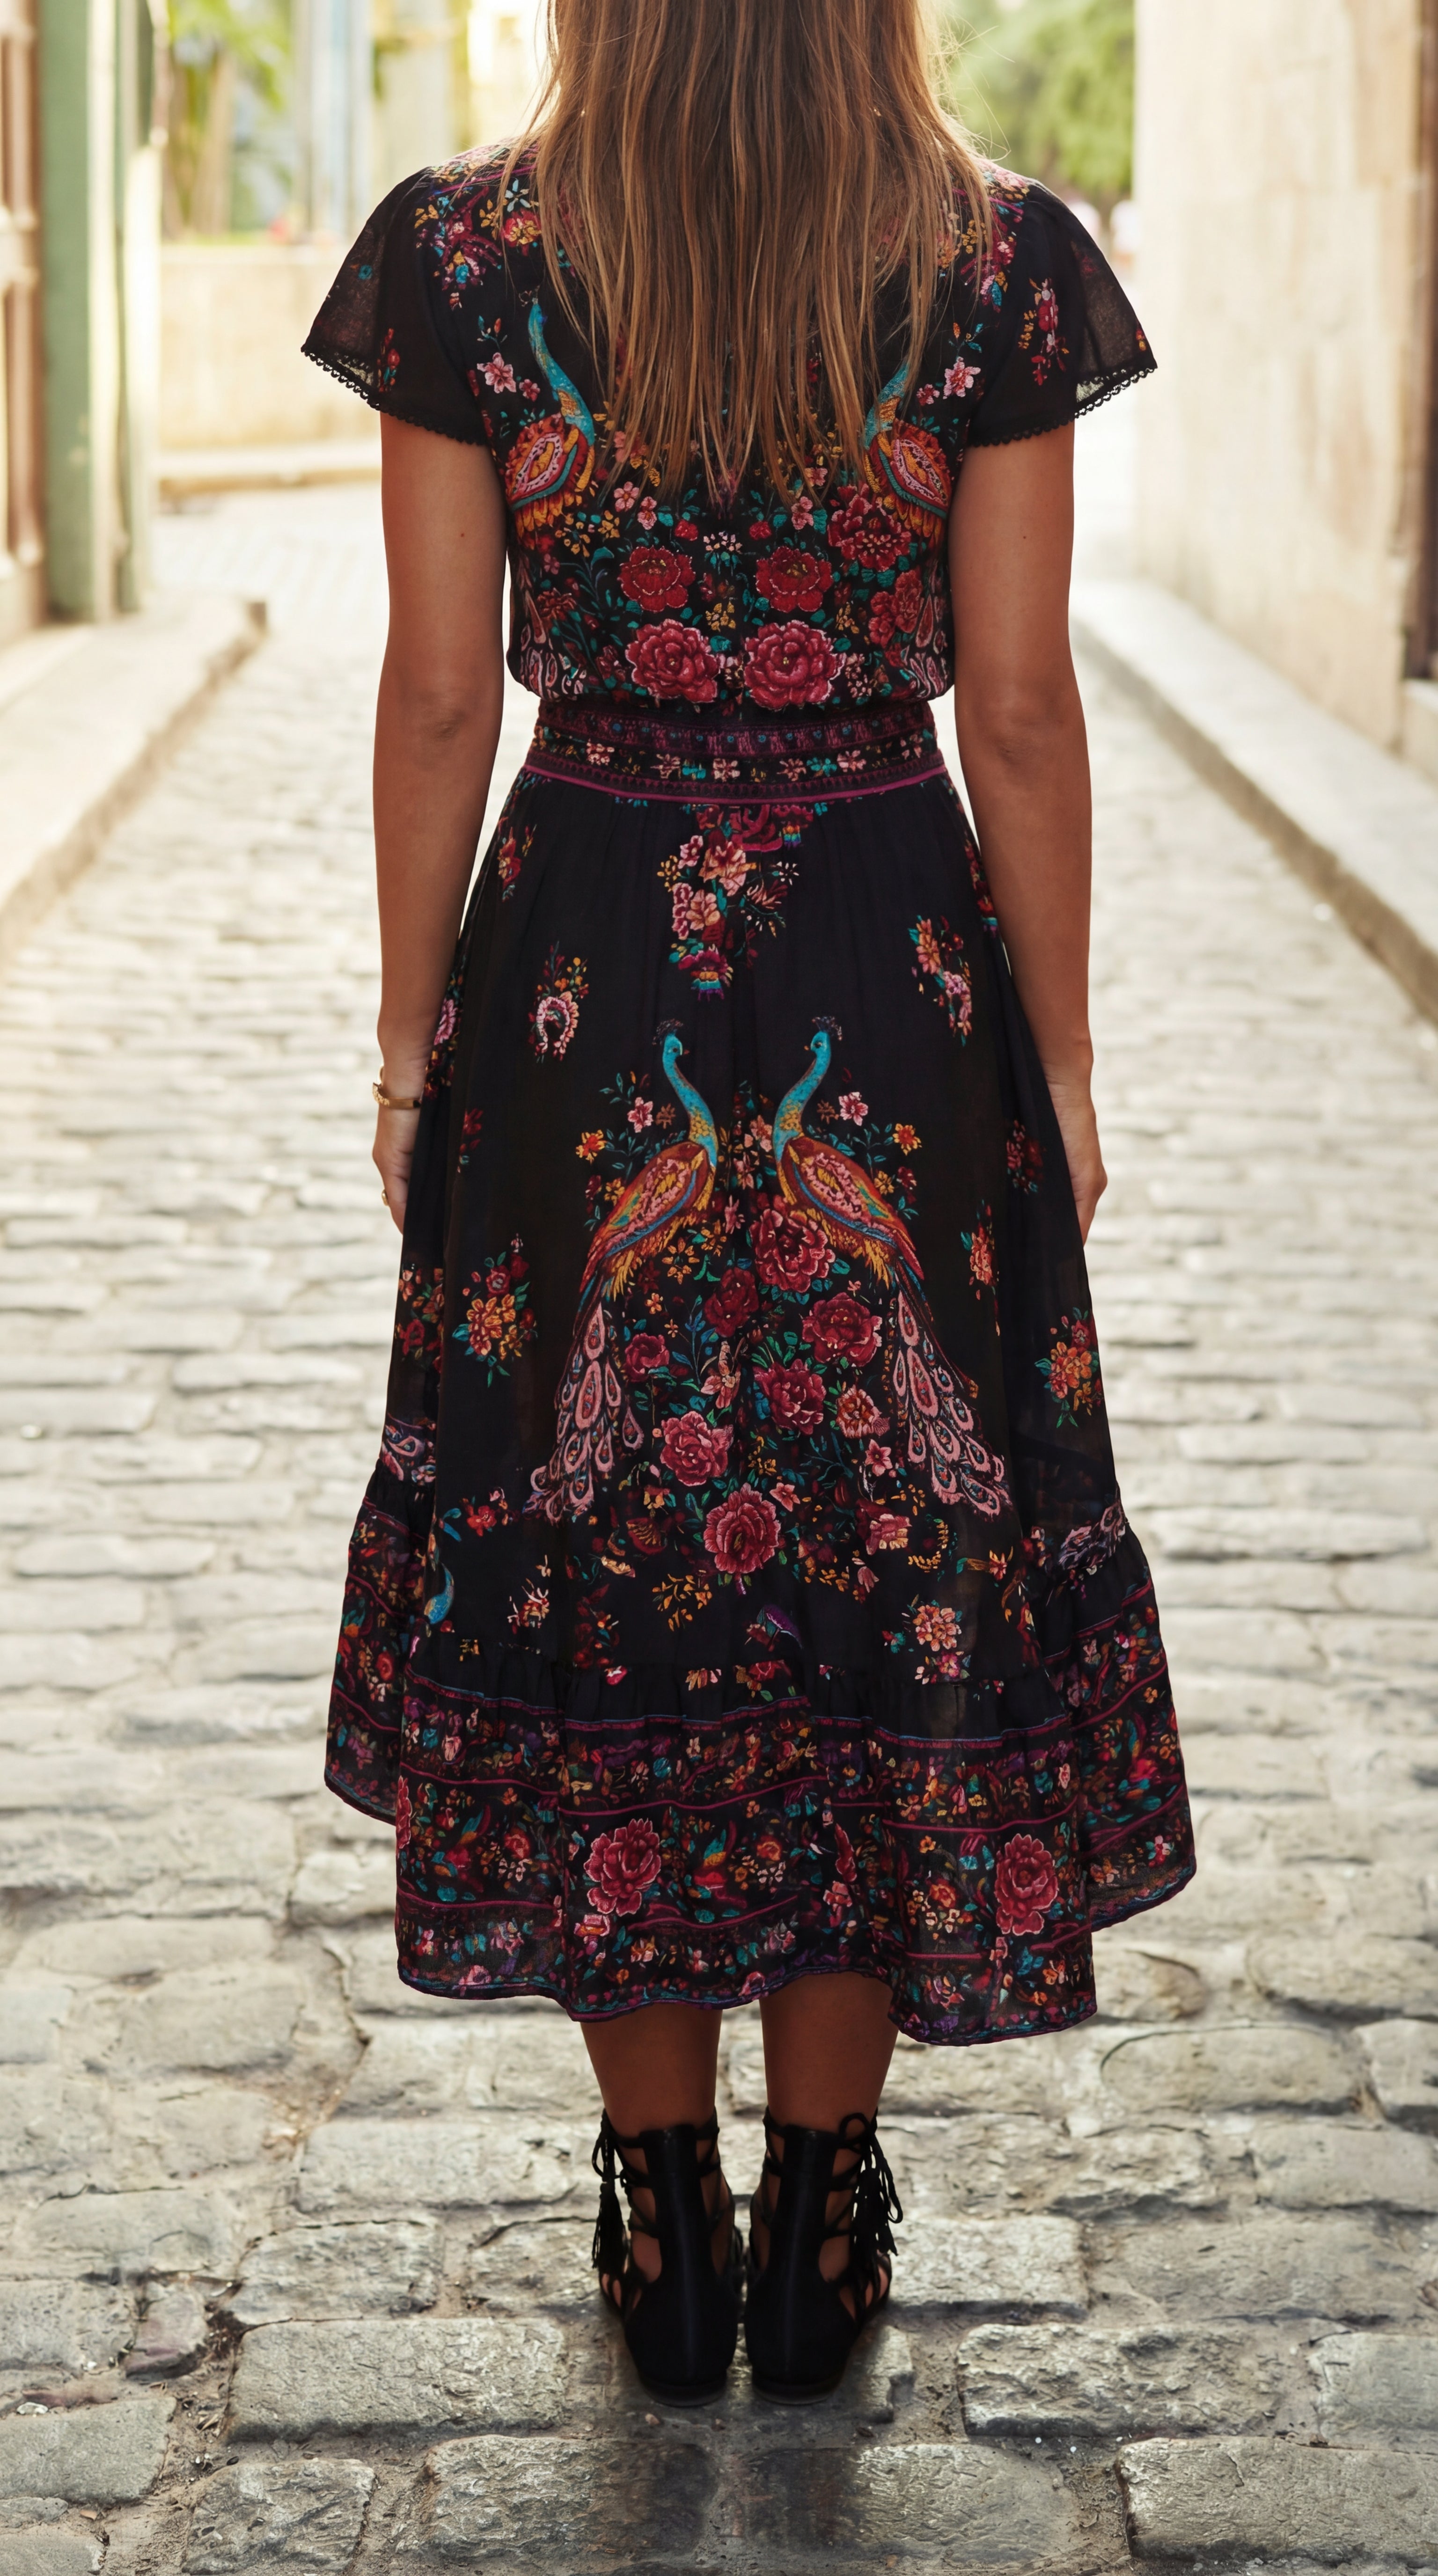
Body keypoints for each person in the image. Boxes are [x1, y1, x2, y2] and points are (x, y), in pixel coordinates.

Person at [304, 0, 1195, 2409]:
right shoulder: (991, 263)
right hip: (891, 983)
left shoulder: (464, 264)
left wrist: (410, 1049)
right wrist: (1066, 1055)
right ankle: (825, 2198)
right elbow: (1016, 708)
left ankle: (661, 2202)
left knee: (614, 1559)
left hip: (581, 979)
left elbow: (430, 696)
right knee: (873, 1566)